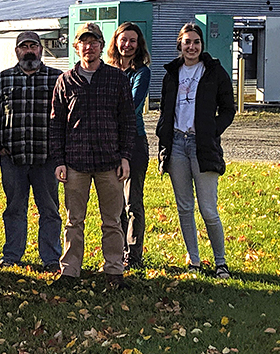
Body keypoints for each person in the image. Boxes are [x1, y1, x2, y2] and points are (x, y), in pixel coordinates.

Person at [50, 23, 135, 290]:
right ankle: (70, 271)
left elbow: (127, 121)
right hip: (76, 163)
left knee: (112, 220)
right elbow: (56, 124)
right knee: (74, 221)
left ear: (101, 45)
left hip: (109, 161)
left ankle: (114, 270)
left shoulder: (117, 78)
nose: (89, 46)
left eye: (94, 41)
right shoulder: (65, 81)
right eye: (84, 42)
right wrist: (59, 160)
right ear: (76, 48)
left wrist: (125, 156)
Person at [156, 23, 235, 279]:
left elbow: (228, 108)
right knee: (184, 207)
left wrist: (212, 130)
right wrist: (163, 136)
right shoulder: (172, 73)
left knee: (208, 209)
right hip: (177, 144)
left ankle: (220, 262)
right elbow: (165, 109)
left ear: (202, 46)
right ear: (180, 44)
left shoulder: (213, 71)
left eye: (196, 42)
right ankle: (195, 261)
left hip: (202, 146)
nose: (192, 47)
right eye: (187, 42)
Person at [0, 31, 63, 272]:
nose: (29, 50)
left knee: (50, 210)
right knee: (14, 209)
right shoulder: (3, 79)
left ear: (41, 49)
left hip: (46, 158)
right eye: (24, 46)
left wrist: (59, 149)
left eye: (33, 46)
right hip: (14, 157)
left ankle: (51, 258)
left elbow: (65, 117)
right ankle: (11, 255)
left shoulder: (57, 78)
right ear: (16, 51)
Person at [104, 22, 152, 269]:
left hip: (133, 141)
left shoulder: (141, 72)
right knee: (115, 203)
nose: (128, 44)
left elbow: (131, 105)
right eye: (124, 40)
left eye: (133, 40)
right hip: (109, 142)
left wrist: (104, 110)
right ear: (116, 42)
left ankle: (133, 255)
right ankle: (117, 250)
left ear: (138, 44)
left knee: (132, 202)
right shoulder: (107, 69)